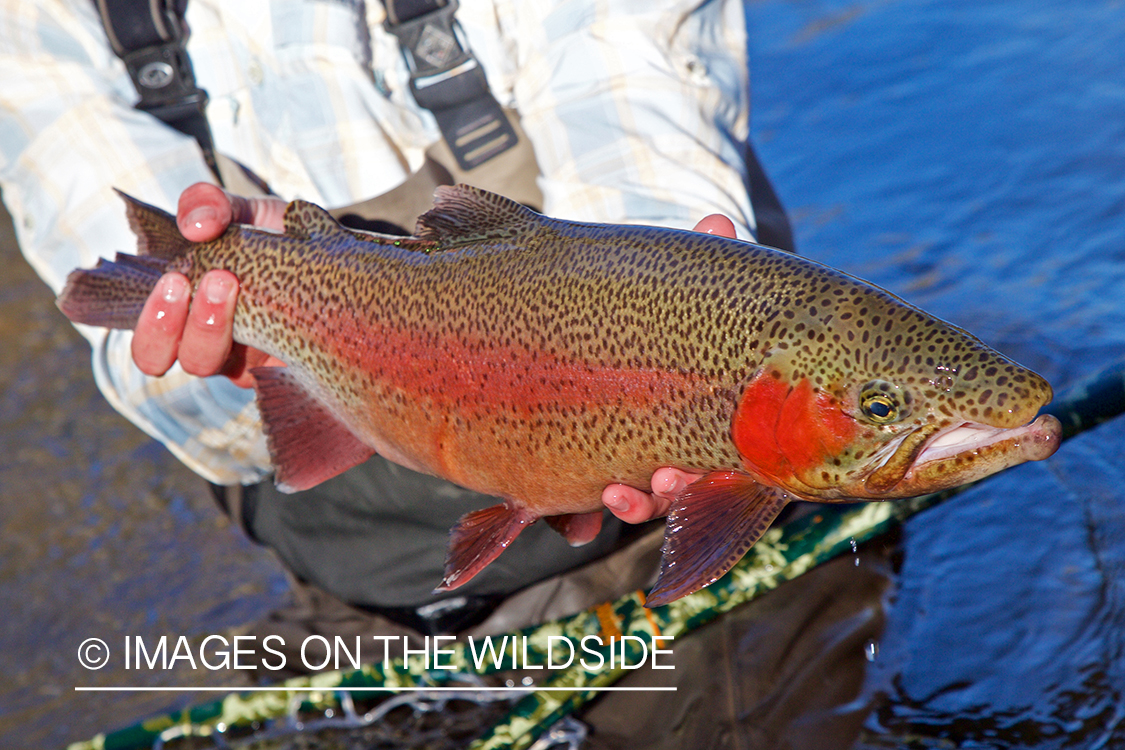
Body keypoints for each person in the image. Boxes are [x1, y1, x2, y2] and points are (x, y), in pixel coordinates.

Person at [1, 0, 792, 639]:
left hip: (660, 541)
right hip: (346, 581)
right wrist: (269, 359)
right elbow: (145, 364)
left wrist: (660, 348)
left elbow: (631, 123)